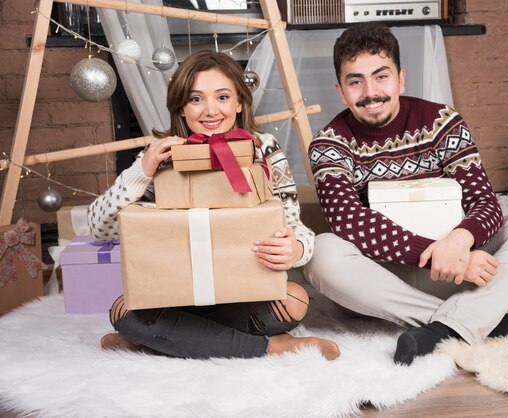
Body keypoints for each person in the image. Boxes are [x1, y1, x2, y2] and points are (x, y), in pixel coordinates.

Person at [303, 22, 508, 365]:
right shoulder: (328, 144)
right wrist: (436, 252)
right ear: (341, 91)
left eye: (381, 76)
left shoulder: (442, 122)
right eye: (356, 81)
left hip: (456, 270)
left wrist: (458, 243)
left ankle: (446, 325)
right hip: (383, 279)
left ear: (401, 78)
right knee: (320, 252)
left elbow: (485, 203)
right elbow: (350, 223)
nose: (371, 91)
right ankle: (477, 322)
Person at [88, 50, 340, 361]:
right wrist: (142, 171)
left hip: (242, 289)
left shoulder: (264, 150)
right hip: (173, 294)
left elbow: (293, 224)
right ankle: (269, 347)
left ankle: (162, 340)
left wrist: (297, 248)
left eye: (222, 97)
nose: (210, 110)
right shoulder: (161, 155)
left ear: (239, 103)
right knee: (124, 310)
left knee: (295, 300)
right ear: (181, 106)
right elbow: (99, 228)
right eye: (196, 99)